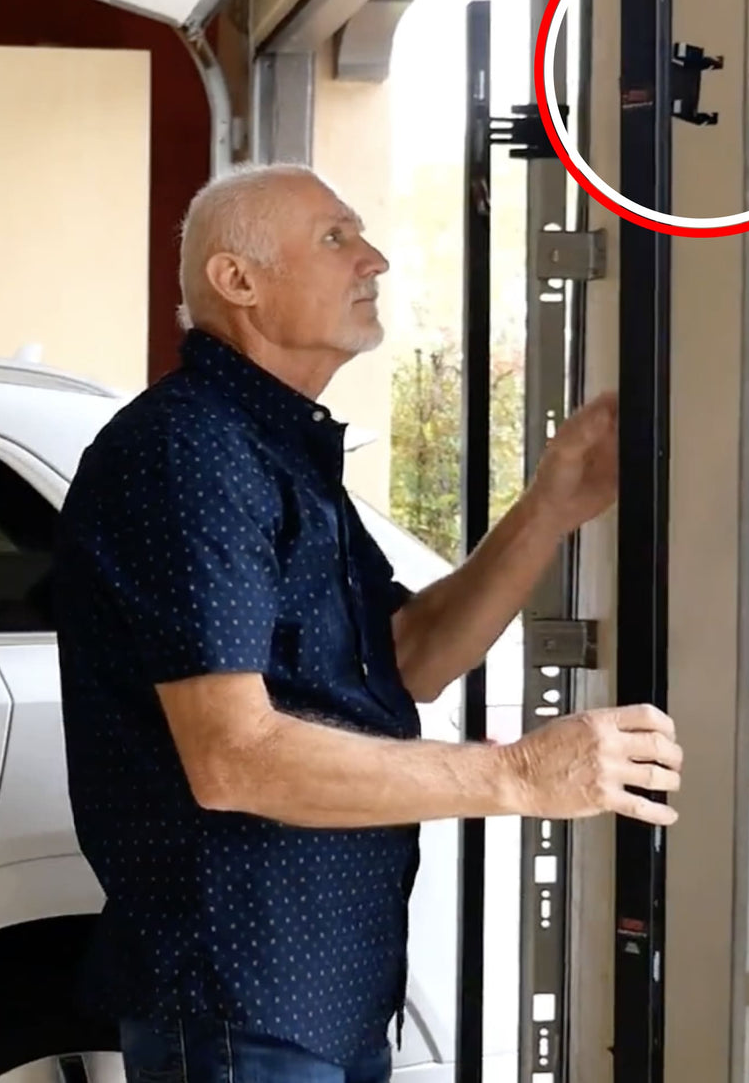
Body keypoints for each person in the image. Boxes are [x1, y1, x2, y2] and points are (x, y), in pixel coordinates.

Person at [52, 162, 683, 1083]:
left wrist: (547, 508)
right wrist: (515, 775)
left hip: (323, 995)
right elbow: (233, 757)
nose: (375, 259)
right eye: (337, 239)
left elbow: (405, 659)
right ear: (238, 282)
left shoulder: (271, 447)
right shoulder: (190, 452)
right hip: (248, 997)